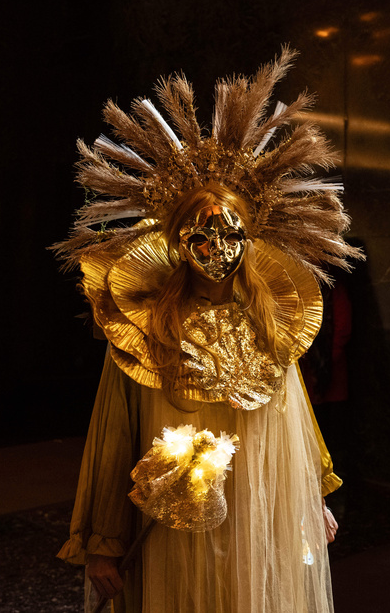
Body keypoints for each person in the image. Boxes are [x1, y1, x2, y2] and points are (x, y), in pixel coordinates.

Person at [53, 49, 360, 612]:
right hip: (176, 530)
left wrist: (311, 496)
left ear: (251, 238)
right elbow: (113, 433)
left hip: (259, 511)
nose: (217, 250)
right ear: (177, 242)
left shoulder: (272, 320)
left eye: (231, 235)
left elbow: (294, 415)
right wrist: (103, 541)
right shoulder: (143, 326)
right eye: (200, 236)